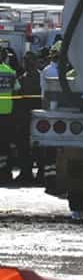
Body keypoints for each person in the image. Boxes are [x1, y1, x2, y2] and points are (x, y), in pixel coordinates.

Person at [13, 52, 42, 183]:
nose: (28, 64)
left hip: (33, 117)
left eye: (29, 61)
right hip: (29, 117)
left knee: (32, 146)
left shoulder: (24, 79)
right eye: (26, 61)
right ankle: (31, 173)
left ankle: (30, 173)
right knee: (27, 146)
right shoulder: (25, 79)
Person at [0, 49, 16, 184]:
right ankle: (4, 172)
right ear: (5, 58)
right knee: (4, 144)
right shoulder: (10, 72)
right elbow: (17, 88)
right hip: (6, 112)